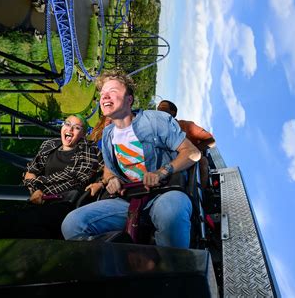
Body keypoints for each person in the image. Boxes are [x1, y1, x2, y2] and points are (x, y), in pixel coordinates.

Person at [61, 70, 201, 248]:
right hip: (128, 201)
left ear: (129, 99)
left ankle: (170, 269)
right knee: (72, 223)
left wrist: (162, 171)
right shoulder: (107, 135)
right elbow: (108, 168)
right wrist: (110, 179)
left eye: (112, 91)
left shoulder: (155, 120)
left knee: (171, 211)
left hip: (162, 194)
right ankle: (117, 258)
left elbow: (192, 152)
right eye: (102, 94)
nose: (105, 97)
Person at [0, 114, 102, 240]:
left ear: (83, 134)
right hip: (41, 203)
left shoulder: (89, 150)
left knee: (13, 228)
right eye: (67, 124)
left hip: (65, 204)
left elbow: (105, 167)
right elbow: (31, 171)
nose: (70, 129)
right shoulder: (49, 146)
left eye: (77, 127)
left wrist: (101, 182)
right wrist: (35, 189)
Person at [157, 100, 216, 188]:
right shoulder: (155, 128)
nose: (159, 109)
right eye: (158, 108)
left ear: (173, 112)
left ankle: (201, 193)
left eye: (163, 107)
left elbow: (211, 141)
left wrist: (191, 150)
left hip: (186, 161)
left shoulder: (186, 125)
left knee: (203, 161)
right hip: (164, 162)